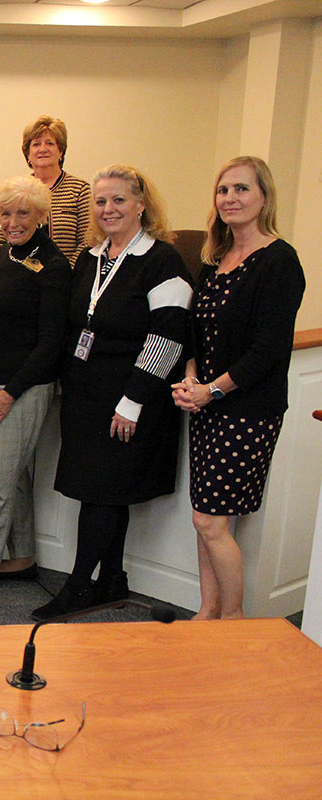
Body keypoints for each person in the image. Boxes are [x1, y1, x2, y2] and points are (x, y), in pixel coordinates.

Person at [38, 164, 193, 621]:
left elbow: (167, 338)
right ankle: (112, 581)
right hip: (87, 397)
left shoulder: (162, 260)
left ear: (141, 205)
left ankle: (78, 587)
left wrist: (133, 401)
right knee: (107, 492)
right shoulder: (91, 257)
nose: (108, 209)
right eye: (101, 201)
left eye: (119, 200)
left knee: (101, 492)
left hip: (129, 398)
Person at [171, 156, 305, 620]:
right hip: (207, 405)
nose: (230, 198)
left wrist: (214, 390)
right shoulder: (214, 264)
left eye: (242, 189)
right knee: (205, 520)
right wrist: (192, 379)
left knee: (210, 521)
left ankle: (233, 623)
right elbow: (194, 334)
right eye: (223, 190)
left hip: (248, 409)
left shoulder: (279, 261)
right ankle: (208, 614)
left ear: (263, 197)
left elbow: (267, 349)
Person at [0, 175, 71, 602]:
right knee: (15, 477)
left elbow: (51, 343)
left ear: (41, 215)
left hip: (20, 390)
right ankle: (22, 557)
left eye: (23, 213)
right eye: (5, 213)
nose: (13, 221)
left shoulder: (55, 267)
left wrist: (10, 392)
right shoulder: (5, 254)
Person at [0, 115, 91, 266]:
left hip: (65, 280)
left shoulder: (80, 190)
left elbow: (87, 241)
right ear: (28, 153)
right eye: (36, 144)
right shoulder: (15, 191)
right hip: (20, 280)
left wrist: (62, 272)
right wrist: (12, 270)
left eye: (50, 143)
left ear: (61, 151)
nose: (43, 149)